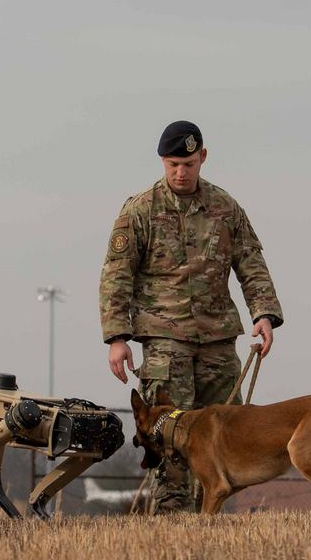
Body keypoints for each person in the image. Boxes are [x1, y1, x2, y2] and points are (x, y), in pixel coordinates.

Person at [98, 120, 284, 514]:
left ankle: (210, 518)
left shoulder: (225, 207)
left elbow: (250, 262)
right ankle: (170, 520)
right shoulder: (140, 210)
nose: (180, 173)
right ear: (162, 162)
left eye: (187, 164)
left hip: (218, 340)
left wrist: (264, 314)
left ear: (203, 157)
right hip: (166, 343)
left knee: (226, 436)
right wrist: (117, 338)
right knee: (168, 436)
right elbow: (116, 274)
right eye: (172, 165)